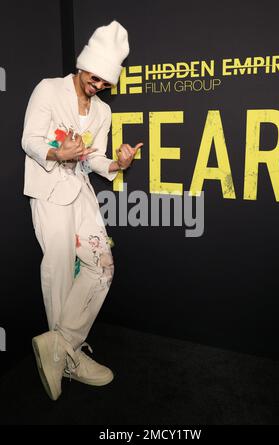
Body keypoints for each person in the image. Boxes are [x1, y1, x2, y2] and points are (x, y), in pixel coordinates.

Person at [21, 20, 143, 401]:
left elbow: (94, 161)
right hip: (50, 194)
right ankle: (68, 360)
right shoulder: (48, 90)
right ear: (82, 64)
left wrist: (118, 165)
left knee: (102, 266)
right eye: (96, 77)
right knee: (58, 274)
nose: (99, 85)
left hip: (82, 194)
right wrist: (60, 153)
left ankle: (62, 346)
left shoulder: (102, 112)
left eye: (107, 82)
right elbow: (29, 140)